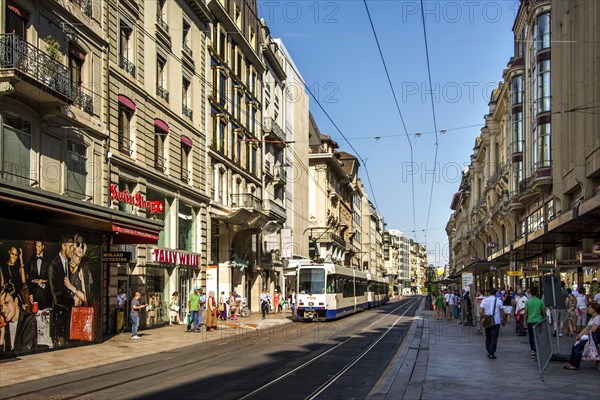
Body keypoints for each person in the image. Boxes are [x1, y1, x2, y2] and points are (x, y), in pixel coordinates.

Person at [48, 233, 75, 347]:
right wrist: (73, 301)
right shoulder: (54, 266)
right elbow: (56, 296)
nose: (72, 250)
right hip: (59, 318)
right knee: (61, 347)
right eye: (70, 247)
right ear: (63, 246)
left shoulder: (69, 264)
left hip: (68, 319)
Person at [0, 283, 37, 354]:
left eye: (6, 303)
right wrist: (1, 340)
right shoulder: (4, 323)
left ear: (16, 301)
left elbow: (25, 353)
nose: (3, 310)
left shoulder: (29, 320)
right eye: (1, 306)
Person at [563, 302, 600, 370]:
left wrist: (582, 335)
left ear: (594, 309)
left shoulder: (598, 318)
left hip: (594, 338)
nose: (588, 309)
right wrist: (580, 334)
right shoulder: (592, 318)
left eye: (590, 308)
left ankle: (575, 365)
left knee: (577, 348)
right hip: (589, 336)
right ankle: (571, 363)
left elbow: (593, 330)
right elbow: (586, 328)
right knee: (574, 346)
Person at [27, 240, 52, 312]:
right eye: (36, 246)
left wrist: (44, 283)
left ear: (43, 247)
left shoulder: (48, 260)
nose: (37, 248)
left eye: (39, 246)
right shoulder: (32, 260)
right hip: (35, 296)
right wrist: (31, 294)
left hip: (45, 295)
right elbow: (30, 278)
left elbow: (51, 278)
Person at [480, 288, 504, 359]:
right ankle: (491, 352)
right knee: (494, 337)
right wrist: (504, 320)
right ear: (496, 293)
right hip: (496, 321)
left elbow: (481, 311)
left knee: (488, 336)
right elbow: (502, 312)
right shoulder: (499, 301)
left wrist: (484, 316)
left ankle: (488, 350)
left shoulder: (484, 300)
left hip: (487, 321)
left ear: (488, 293)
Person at [524, 287, 546, 359]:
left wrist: (524, 321)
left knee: (531, 336)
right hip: (538, 321)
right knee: (538, 336)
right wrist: (544, 319)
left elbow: (525, 313)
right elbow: (544, 312)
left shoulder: (528, 302)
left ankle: (533, 350)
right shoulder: (541, 302)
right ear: (537, 293)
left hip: (530, 321)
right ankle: (537, 349)